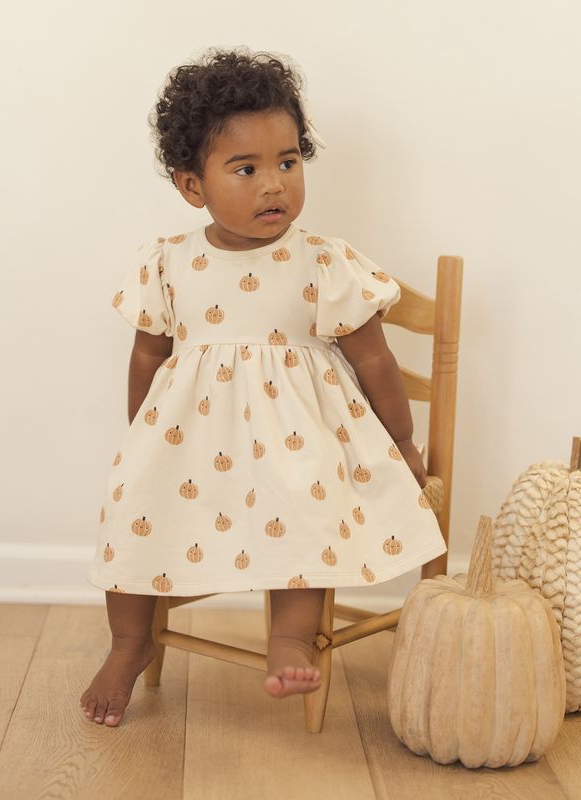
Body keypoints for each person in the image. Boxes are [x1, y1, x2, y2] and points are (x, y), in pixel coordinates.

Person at [81, 47, 447, 726]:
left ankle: (287, 638)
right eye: (245, 169)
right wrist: (144, 442)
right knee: (133, 500)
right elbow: (146, 357)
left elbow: (375, 361)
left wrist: (401, 440)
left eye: (288, 161)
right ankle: (128, 643)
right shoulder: (170, 262)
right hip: (191, 443)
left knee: (304, 498)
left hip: (298, 443)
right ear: (193, 186)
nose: (274, 184)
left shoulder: (322, 261)